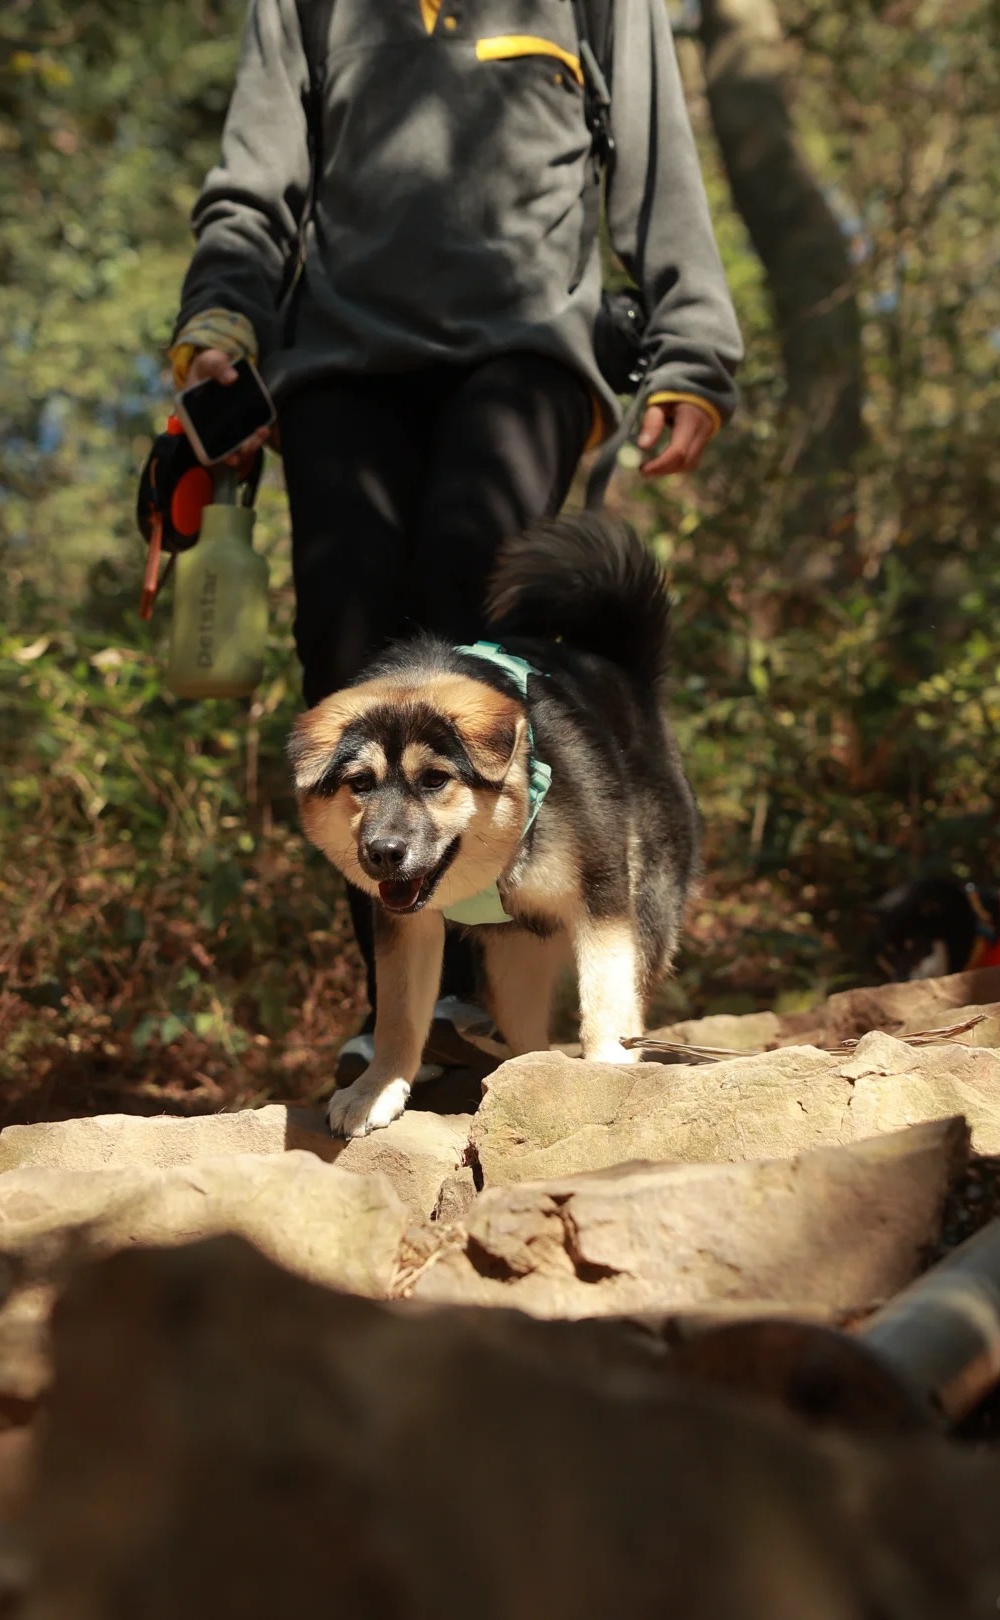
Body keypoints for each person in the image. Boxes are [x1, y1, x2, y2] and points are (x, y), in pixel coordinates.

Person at [170, 0, 742, 1082]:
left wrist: (692, 347)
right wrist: (222, 314)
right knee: (349, 662)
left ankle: (489, 1002)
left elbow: (660, 165)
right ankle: (404, 1018)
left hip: (528, 351)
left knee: (465, 639)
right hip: (337, 362)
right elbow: (257, 174)